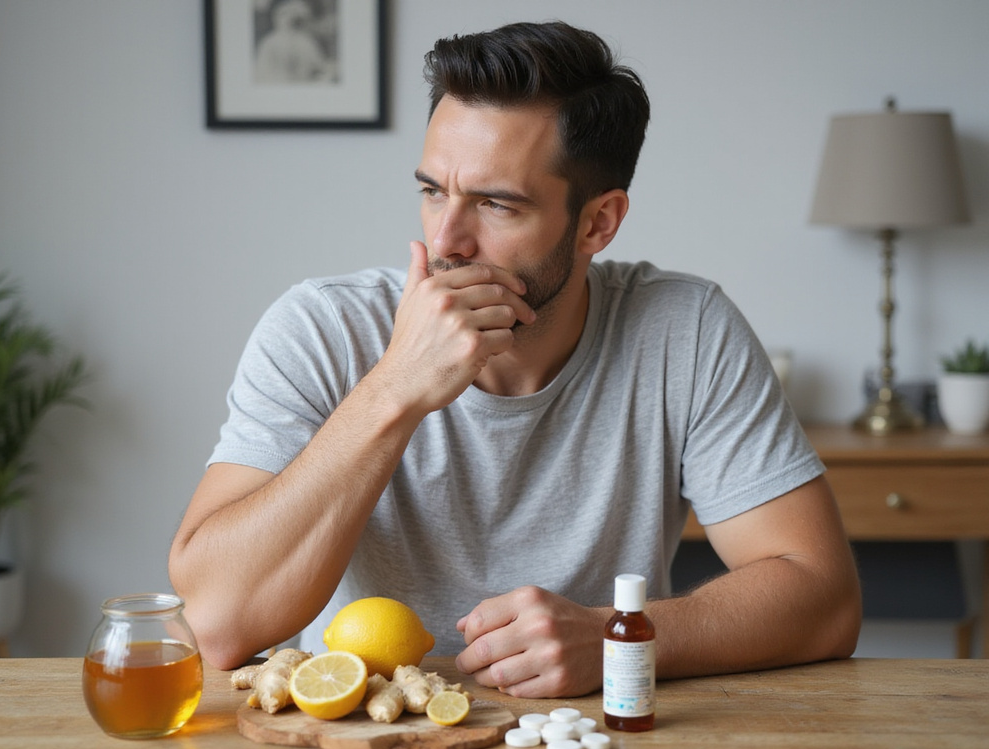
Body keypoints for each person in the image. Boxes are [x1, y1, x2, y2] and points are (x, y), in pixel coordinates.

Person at [169, 20, 862, 698]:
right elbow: (217, 625)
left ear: (598, 222)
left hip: (590, 739)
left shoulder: (687, 330)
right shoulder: (320, 329)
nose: (447, 239)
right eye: (432, 190)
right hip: (361, 733)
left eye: (496, 205)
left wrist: (620, 637)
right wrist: (394, 390)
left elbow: (824, 599)